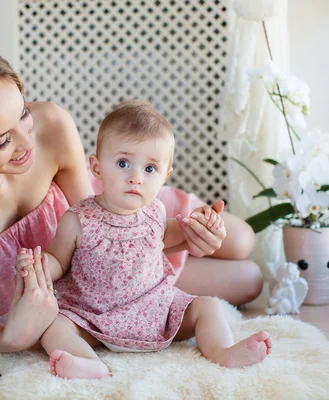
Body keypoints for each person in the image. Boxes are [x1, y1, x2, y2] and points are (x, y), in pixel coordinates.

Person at [0, 34, 262, 379]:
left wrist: (181, 237)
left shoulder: (50, 124)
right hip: (84, 287)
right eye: (1, 142)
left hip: (119, 216)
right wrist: (11, 338)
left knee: (240, 241)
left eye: (23, 115)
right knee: (248, 280)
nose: (26, 143)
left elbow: (94, 212)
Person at [15, 101, 272, 379]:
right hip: (92, 316)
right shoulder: (78, 219)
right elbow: (58, 261)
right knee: (55, 327)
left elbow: (177, 233)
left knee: (207, 306)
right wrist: (39, 266)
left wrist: (201, 223)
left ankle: (223, 350)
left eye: (150, 169)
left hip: (155, 311)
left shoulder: (156, 212)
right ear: (97, 167)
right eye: (123, 163)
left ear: (165, 175)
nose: (135, 178)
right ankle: (89, 363)